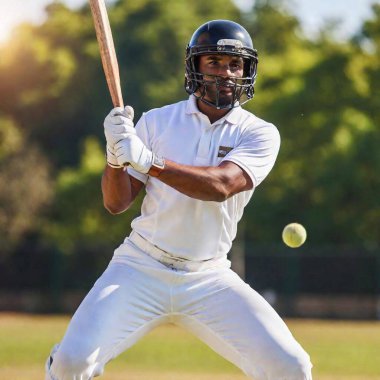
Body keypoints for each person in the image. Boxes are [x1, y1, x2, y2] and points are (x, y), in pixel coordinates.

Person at [45, 20, 312, 380]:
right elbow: (116, 202)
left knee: (292, 367)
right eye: (214, 62)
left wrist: (149, 161)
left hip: (209, 276)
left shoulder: (260, 132)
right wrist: (114, 156)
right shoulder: (157, 122)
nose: (226, 73)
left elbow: (222, 185)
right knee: (71, 362)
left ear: (248, 71)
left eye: (235, 65)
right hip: (140, 265)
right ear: (195, 67)